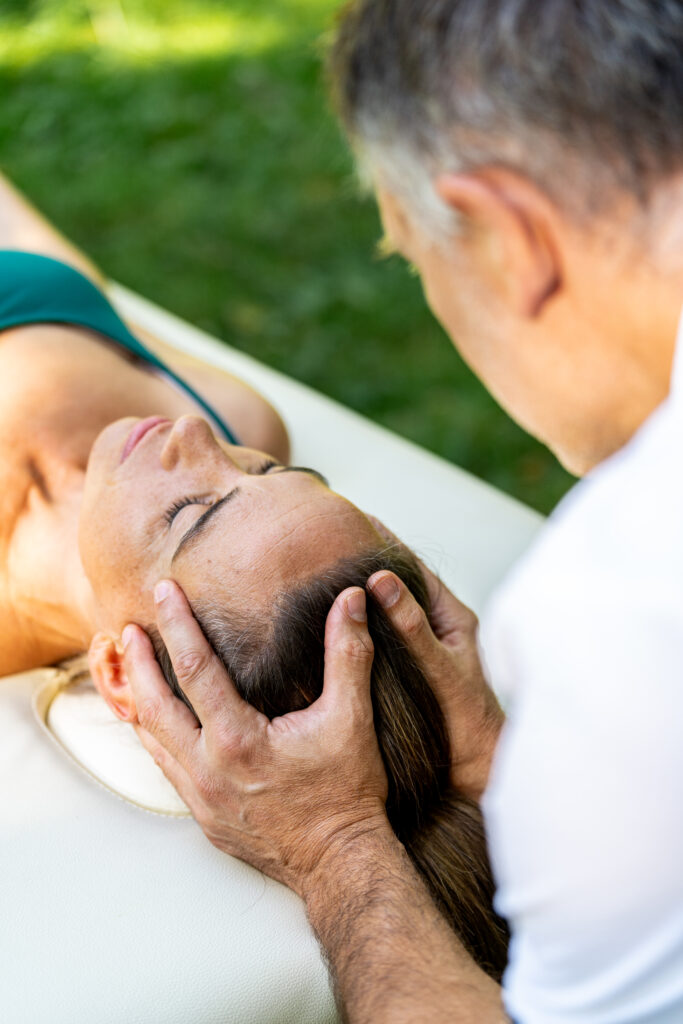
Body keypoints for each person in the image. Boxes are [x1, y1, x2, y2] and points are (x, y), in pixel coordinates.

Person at [122, 2, 683, 1023]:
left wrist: (331, 842)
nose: (196, 436)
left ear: (510, 238)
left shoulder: (624, 623)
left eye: (411, 256)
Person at [0, 172, 509, 978]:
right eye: (270, 471)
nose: (197, 435)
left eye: (187, 516)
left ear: (123, 676)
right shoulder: (237, 417)